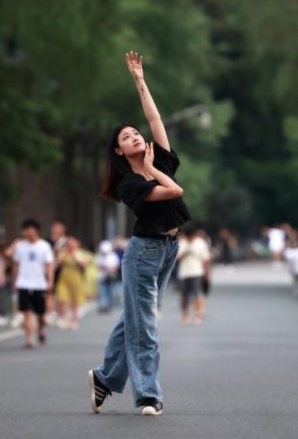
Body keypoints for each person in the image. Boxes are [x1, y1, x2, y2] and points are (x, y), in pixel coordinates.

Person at [88, 51, 191, 417]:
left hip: (169, 249)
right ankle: (148, 394)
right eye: (127, 137)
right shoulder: (129, 185)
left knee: (134, 317)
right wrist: (149, 168)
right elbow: (174, 192)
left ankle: (104, 378)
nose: (136, 136)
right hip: (144, 253)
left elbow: (154, 117)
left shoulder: (158, 159)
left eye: (136, 133)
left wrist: (139, 81)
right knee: (144, 323)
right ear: (119, 150)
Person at [7, 219, 55, 349]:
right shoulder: (20, 246)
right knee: (27, 312)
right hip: (23, 283)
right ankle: (30, 340)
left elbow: (49, 265)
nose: (27, 232)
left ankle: (40, 330)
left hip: (39, 284)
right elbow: (15, 264)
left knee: (40, 314)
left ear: (36, 230)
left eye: (30, 229)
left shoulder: (44, 246)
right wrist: (14, 282)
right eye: (25, 230)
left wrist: (50, 281)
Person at [176, 228, 211, 325]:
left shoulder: (200, 243)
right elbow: (177, 259)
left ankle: (197, 315)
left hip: (197, 272)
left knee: (197, 295)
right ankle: (185, 314)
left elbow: (206, 259)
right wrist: (186, 251)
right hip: (184, 273)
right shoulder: (181, 243)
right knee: (184, 296)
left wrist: (207, 273)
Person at [56, 236, 90, 330]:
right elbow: (58, 263)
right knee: (62, 298)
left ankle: (75, 320)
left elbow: (84, 266)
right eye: (68, 243)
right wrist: (61, 252)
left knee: (74, 300)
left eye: (72, 243)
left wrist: (75, 257)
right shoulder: (64, 253)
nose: (70, 245)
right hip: (64, 278)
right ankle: (64, 319)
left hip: (76, 278)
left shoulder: (79, 253)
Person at [96, 240, 121, 313]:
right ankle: (103, 305)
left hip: (111, 277)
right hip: (102, 277)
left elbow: (116, 266)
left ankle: (108, 306)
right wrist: (106, 268)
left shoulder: (113, 256)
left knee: (111, 292)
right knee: (102, 292)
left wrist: (109, 269)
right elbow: (98, 266)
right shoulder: (100, 256)